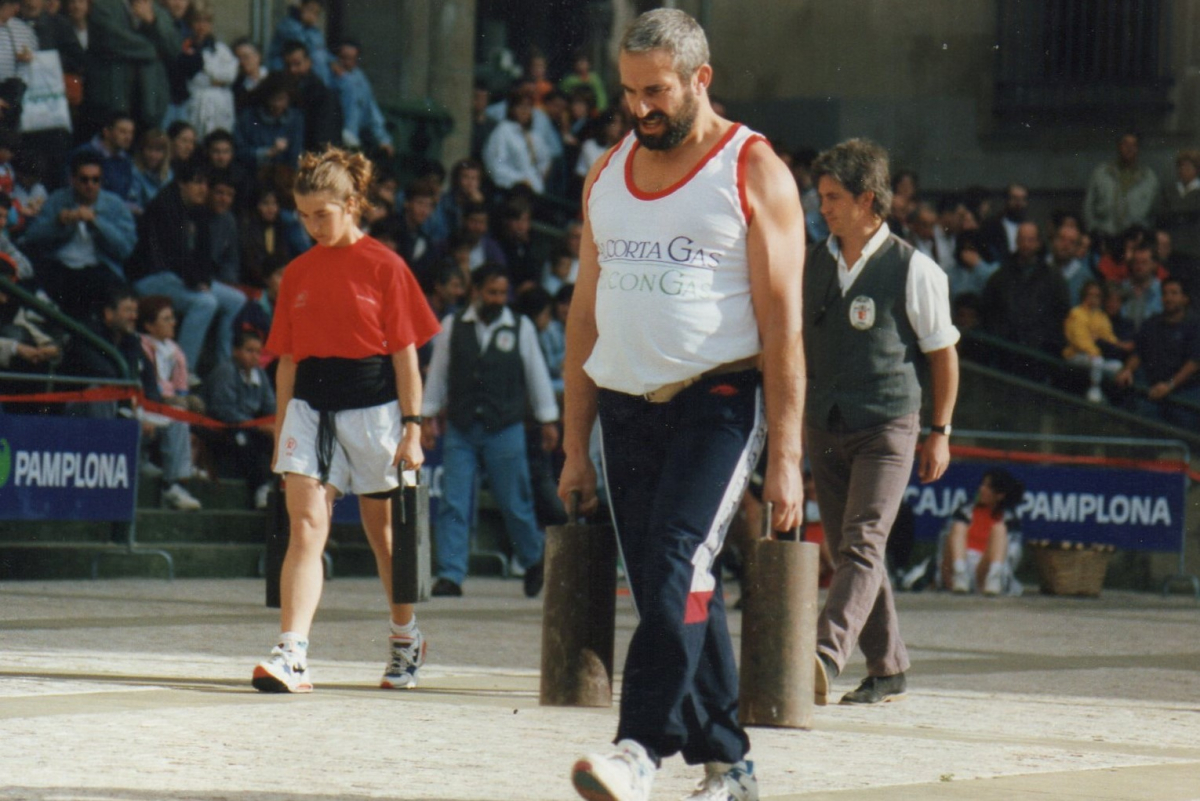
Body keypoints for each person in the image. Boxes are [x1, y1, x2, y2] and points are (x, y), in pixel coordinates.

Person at [558, 10, 804, 801]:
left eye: (655, 90)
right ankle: (731, 767)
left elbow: (783, 326)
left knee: (672, 566)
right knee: (681, 582)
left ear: (702, 77)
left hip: (719, 403)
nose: (640, 108)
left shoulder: (753, 168)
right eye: (629, 92)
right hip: (626, 408)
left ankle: (639, 745)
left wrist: (789, 457)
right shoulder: (606, 172)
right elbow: (583, 318)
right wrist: (573, 444)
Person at [253, 146, 439, 694]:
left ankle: (406, 639)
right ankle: (292, 653)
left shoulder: (386, 266)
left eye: (322, 214)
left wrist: (412, 427)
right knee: (306, 526)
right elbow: (287, 358)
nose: (312, 226)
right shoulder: (297, 272)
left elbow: (405, 355)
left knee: (384, 538)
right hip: (310, 409)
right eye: (303, 215)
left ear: (352, 204)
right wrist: (281, 426)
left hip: (375, 410)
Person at [805, 138, 959, 707]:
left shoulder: (913, 267)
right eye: (821, 196)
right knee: (854, 547)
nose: (823, 206)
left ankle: (824, 654)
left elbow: (943, 355)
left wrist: (939, 431)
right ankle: (889, 667)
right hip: (824, 423)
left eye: (834, 197)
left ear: (869, 199)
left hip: (888, 423)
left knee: (863, 540)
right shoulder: (813, 261)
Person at [419, 262, 557, 598]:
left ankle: (533, 558)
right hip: (462, 426)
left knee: (515, 501)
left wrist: (548, 418)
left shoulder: (520, 327)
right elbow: (438, 374)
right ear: (476, 291)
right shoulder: (453, 325)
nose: (498, 299)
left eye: (502, 293)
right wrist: (426, 415)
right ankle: (451, 574)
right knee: (453, 501)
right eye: (491, 292)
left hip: (504, 426)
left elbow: (537, 375)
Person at [128, 158, 245, 371]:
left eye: (206, 183)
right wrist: (196, 282)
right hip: (151, 276)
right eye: (197, 182)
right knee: (205, 303)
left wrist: (205, 280)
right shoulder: (164, 205)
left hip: (179, 277)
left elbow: (203, 254)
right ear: (182, 183)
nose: (203, 188)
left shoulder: (198, 208)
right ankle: (182, 371)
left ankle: (223, 367)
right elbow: (173, 256)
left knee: (236, 300)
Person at [22, 150, 137, 320]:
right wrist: (59, 222)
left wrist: (97, 223)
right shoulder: (58, 199)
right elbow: (32, 235)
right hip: (60, 264)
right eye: (84, 180)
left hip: (98, 267)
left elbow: (126, 248)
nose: (90, 185)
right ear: (73, 180)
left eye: (95, 180)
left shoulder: (115, 205)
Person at [203, 328, 276, 509]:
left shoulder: (261, 375)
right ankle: (260, 488)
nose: (254, 356)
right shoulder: (226, 371)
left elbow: (270, 406)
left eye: (258, 352)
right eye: (249, 350)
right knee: (249, 443)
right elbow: (223, 410)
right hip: (223, 427)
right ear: (236, 351)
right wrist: (257, 426)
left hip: (250, 425)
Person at [1115, 277, 1200, 428]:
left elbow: (1193, 363)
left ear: (1185, 298)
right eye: (1165, 293)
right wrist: (1127, 370)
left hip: (1184, 390)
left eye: (1174, 293)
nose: (1169, 298)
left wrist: (1169, 385)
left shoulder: (1194, 325)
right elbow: (1139, 352)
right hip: (1153, 387)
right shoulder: (1152, 323)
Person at [939, 469, 1024, 596]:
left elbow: (1013, 555)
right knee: (958, 526)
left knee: (999, 529)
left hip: (983, 568)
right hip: (959, 564)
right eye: (982, 484)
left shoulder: (1009, 520)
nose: (981, 489)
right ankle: (960, 576)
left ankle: (993, 578)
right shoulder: (964, 511)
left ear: (1000, 495)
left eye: (988, 487)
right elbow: (944, 543)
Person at [1084, 131, 1160, 239]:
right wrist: (1093, 230)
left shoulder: (1149, 178)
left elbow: (1154, 213)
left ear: (1138, 149)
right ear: (1118, 146)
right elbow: (1088, 206)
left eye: (1134, 145)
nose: (1129, 148)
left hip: (1136, 239)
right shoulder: (1101, 173)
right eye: (1125, 144)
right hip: (1104, 236)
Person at [1063, 279, 1128, 403]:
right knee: (1097, 361)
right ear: (1084, 296)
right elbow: (1079, 340)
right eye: (1090, 295)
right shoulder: (1076, 313)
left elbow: (1108, 337)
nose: (1093, 299)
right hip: (1075, 355)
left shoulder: (1101, 317)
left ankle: (1109, 396)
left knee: (1117, 366)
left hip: (1095, 356)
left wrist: (1115, 345)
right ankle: (1094, 390)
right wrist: (1095, 351)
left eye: (1097, 296)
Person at [330, 38, 394, 158]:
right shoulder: (329, 75)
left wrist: (383, 139)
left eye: (349, 59)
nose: (344, 62)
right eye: (342, 57)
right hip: (333, 136)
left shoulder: (360, 79)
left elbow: (372, 111)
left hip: (354, 139)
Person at [282, 40, 343, 153]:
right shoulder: (284, 89)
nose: (292, 70)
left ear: (308, 62)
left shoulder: (323, 95)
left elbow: (324, 138)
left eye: (297, 64)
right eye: (288, 65)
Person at [266, 0, 331, 85]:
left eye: (316, 13)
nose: (312, 15)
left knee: (348, 77)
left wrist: (333, 61)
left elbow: (322, 48)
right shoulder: (288, 24)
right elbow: (303, 48)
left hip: (307, 67)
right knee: (317, 58)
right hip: (285, 66)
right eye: (310, 10)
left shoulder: (313, 30)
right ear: (301, 7)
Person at [127, 128, 173, 215]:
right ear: (142, 150)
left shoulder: (169, 175)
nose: (153, 155)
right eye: (149, 149)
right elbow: (131, 202)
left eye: (158, 151)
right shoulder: (134, 171)